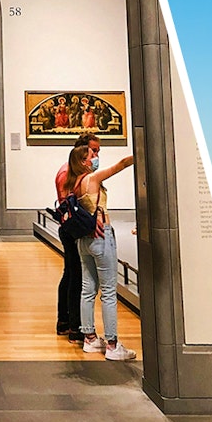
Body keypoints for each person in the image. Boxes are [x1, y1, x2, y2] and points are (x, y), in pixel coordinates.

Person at [64, 144, 136, 360]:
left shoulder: (73, 183)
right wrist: (141, 153)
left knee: (88, 290)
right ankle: (113, 344)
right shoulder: (91, 179)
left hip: (83, 241)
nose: (96, 157)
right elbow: (120, 165)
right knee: (108, 292)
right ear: (83, 161)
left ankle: (90, 338)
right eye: (92, 155)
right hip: (101, 236)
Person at [54, 134, 100, 343]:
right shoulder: (68, 173)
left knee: (71, 274)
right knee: (76, 277)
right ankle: (74, 327)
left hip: (71, 228)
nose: (96, 156)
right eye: (93, 152)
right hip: (73, 229)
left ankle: (66, 322)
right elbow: (72, 205)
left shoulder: (74, 172)